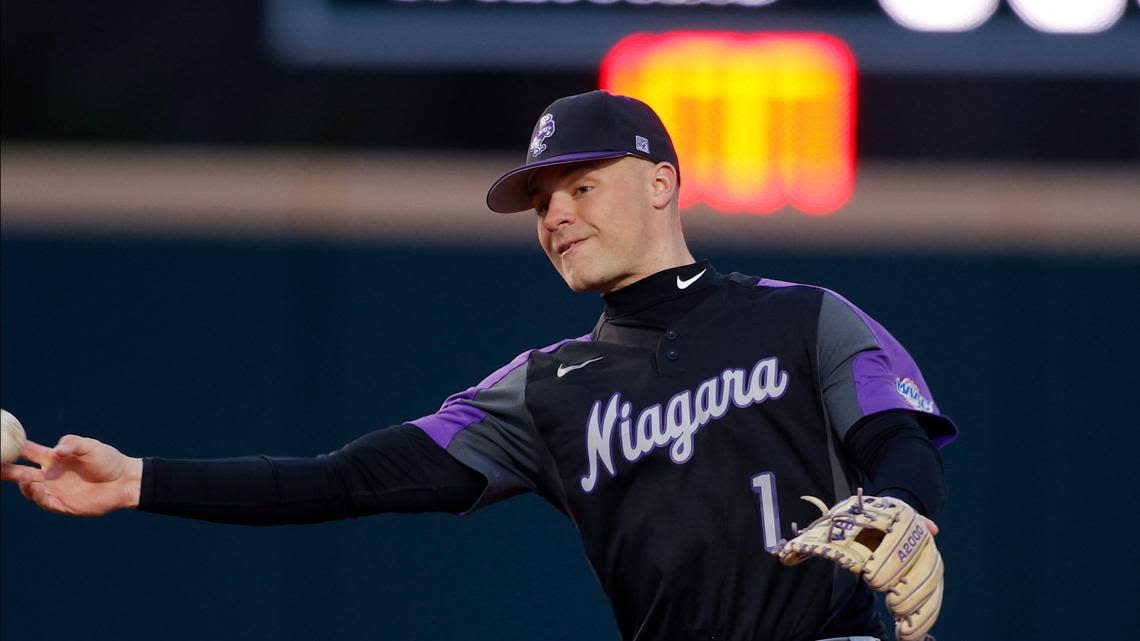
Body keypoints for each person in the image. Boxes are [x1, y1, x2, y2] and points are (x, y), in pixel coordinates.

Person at [0, 90, 955, 641]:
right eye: (541, 200)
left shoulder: (806, 318)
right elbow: (346, 479)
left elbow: (897, 442)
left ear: (663, 183)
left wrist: (907, 507)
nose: (557, 215)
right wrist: (141, 481)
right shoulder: (540, 390)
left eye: (583, 185)